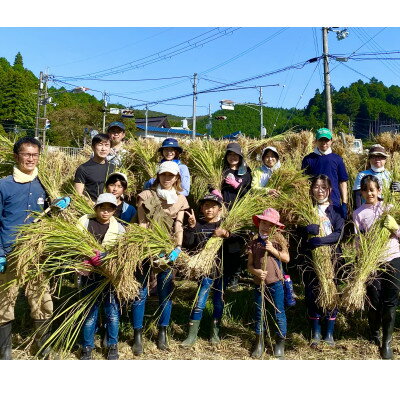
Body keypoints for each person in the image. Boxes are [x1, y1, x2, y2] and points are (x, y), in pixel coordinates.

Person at [0, 137, 51, 360]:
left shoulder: (46, 183)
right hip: (9, 252)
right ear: (16, 156)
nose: (31, 158)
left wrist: (61, 205)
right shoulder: (4, 185)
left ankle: (42, 345)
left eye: (35, 154)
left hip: (36, 254)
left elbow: (53, 218)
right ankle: (5, 350)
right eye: (26, 154)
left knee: (42, 300)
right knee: (4, 301)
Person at [131, 161, 189, 356]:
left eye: (171, 176)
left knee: (166, 291)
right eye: (164, 175)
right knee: (141, 292)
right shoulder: (147, 195)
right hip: (147, 247)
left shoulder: (180, 199)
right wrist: (147, 249)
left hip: (168, 249)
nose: (167, 179)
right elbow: (142, 224)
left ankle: (163, 331)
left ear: (177, 178)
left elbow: (178, 225)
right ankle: (137, 333)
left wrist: (177, 248)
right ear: (158, 176)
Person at [353, 175, 400, 359]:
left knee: (390, 300)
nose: (369, 193)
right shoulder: (358, 213)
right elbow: (358, 241)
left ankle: (387, 341)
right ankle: (374, 333)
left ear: (379, 190)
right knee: (373, 299)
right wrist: (361, 263)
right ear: (362, 192)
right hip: (371, 262)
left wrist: (395, 228)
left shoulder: (390, 208)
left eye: (373, 189)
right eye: (365, 190)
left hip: (393, 257)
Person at [77, 193, 126, 360]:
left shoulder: (119, 229)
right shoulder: (84, 222)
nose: (105, 212)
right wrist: (86, 257)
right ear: (96, 208)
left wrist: (106, 257)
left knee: (112, 312)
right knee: (90, 313)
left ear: (114, 210)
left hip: (109, 277)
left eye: (109, 209)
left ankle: (112, 345)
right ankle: (87, 347)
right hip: (88, 275)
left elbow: (123, 253)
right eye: (102, 208)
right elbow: (75, 247)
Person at [180, 193, 232, 348]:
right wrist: (191, 227)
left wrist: (226, 234)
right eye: (206, 206)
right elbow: (189, 244)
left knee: (218, 302)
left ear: (219, 209)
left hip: (221, 271)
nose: (209, 209)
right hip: (205, 272)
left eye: (213, 206)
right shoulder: (199, 224)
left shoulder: (227, 224)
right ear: (201, 208)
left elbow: (237, 244)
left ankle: (215, 333)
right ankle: (191, 335)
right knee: (199, 302)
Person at [300, 174, 344, 348]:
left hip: (332, 258)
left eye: (323, 187)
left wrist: (321, 240)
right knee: (312, 294)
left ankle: (329, 333)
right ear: (312, 189)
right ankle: (316, 332)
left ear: (330, 190)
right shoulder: (306, 208)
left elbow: (339, 233)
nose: (320, 191)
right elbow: (298, 232)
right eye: (316, 187)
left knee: (330, 292)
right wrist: (306, 230)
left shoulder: (336, 210)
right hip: (311, 259)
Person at [247, 208, 290, 359]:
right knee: (259, 314)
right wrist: (256, 272)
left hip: (276, 283)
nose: (265, 227)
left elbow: (286, 258)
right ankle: (259, 343)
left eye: (270, 224)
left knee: (279, 313)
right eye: (263, 223)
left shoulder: (278, 241)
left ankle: (279, 345)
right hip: (259, 284)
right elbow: (249, 266)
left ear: (276, 228)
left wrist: (272, 249)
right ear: (258, 224)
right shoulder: (253, 242)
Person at [217, 142, 252, 288]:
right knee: (223, 244)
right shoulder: (221, 171)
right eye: (230, 154)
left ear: (240, 156)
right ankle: (223, 275)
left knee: (236, 244)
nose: (233, 157)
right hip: (223, 210)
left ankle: (235, 276)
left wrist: (237, 185)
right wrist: (214, 190)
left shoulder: (245, 171)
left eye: (235, 155)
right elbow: (211, 185)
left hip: (239, 212)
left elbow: (249, 192)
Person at [301, 128, 349, 218]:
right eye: (321, 140)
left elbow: (343, 182)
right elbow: (303, 182)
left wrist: (344, 203)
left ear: (331, 141)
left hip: (334, 203)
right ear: (316, 141)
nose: (324, 142)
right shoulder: (308, 159)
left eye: (326, 140)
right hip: (315, 203)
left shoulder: (337, 159)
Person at [74, 134, 116, 202]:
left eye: (106, 145)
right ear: (93, 147)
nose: (103, 149)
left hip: (109, 208)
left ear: (110, 148)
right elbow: (78, 194)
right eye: (100, 145)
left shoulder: (112, 168)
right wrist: (95, 205)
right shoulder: (83, 168)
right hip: (91, 208)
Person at [353, 144, 392, 209]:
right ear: (369, 159)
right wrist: (359, 211)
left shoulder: (390, 175)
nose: (377, 159)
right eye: (374, 156)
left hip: (387, 208)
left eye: (381, 156)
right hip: (368, 209)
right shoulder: (362, 175)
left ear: (385, 159)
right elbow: (357, 196)